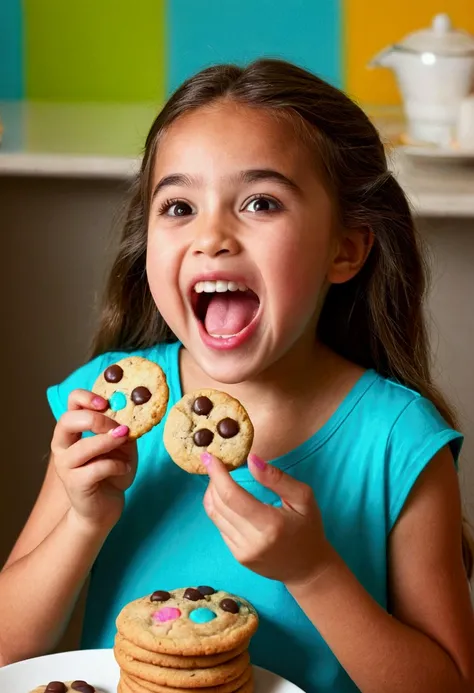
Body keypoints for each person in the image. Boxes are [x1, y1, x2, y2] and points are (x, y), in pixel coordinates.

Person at [0, 59, 473, 693]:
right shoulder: (105, 406)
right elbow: (8, 650)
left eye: (260, 202)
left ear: (346, 248)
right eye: (178, 206)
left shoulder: (397, 442)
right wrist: (83, 521)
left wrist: (313, 571)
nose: (212, 236)